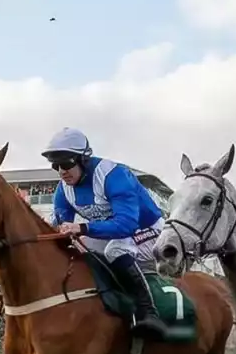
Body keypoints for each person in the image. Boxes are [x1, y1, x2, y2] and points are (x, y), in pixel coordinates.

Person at [43, 128, 172, 339]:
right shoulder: (63, 189)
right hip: (114, 234)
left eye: (66, 164)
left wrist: (83, 227)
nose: (61, 171)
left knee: (115, 249)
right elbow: (58, 225)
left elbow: (126, 225)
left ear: (83, 159)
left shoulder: (114, 175)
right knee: (77, 246)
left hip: (149, 231)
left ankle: (149, 314)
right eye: (55, 166)